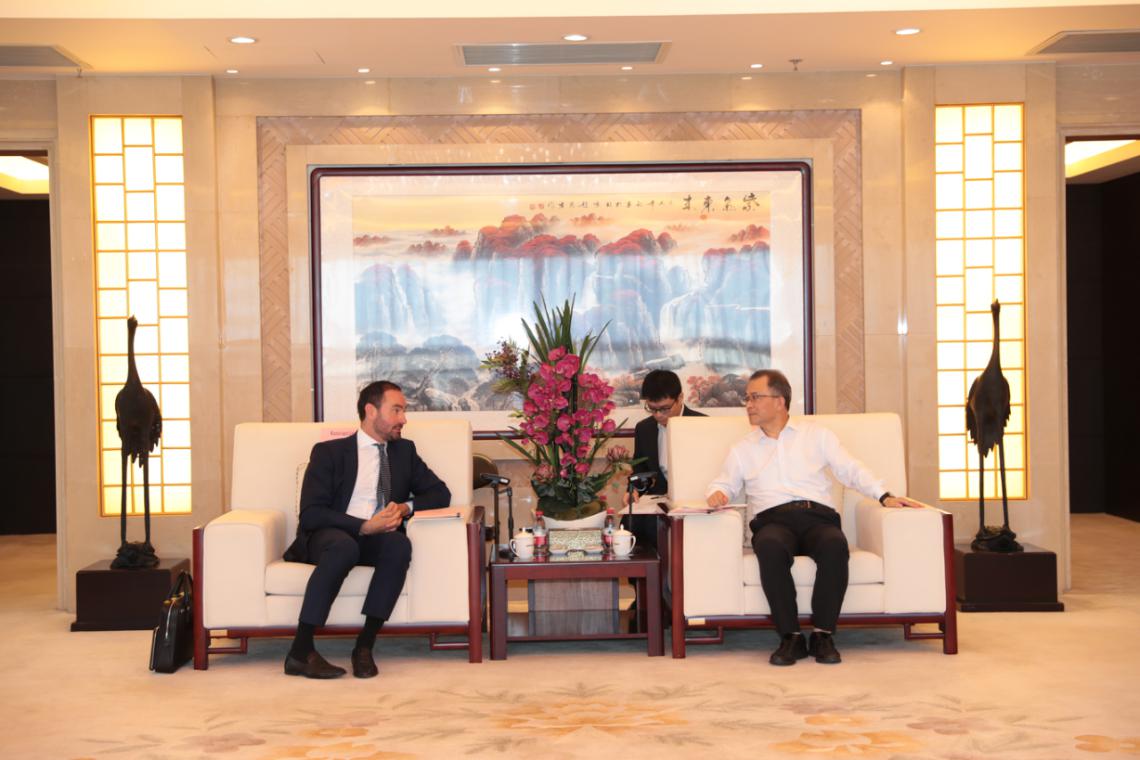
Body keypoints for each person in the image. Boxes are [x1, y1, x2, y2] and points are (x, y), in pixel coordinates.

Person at [705, 369, 920, 666]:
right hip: (772, 521)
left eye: (755, 397)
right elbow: (724, 483)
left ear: (780, 401)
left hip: (817, 517)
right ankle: (790, 637)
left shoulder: (816, 435)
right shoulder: (742, 449)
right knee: (769, 546)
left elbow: (850, 469)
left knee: (835, 545)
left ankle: (823, 634)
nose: (749, 404)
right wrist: (717, 494)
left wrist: (884, 495)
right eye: (747, 398)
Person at [282, 380, 451, 679]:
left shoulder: (404, 451)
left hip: (376, 539)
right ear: (371, 411)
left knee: (398, 545)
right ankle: (300, 650)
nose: (403, 419)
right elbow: (311, 514)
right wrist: (363, 526)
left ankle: (364, 646)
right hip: (330, 536)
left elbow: (440, 493)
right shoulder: (330, 452)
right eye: (396, 410)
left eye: (404, 411)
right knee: (344, 546)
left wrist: (404, 508)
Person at [624, 369, 706, 551]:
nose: (658, 415)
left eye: (665, 409)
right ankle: (644, 570)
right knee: (629, 522)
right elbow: (640, 469)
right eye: (652, 409)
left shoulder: (703, 425)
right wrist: (633, 489)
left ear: (680, 398)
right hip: (658, 500)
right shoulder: (644, 429)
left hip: (693, 501)